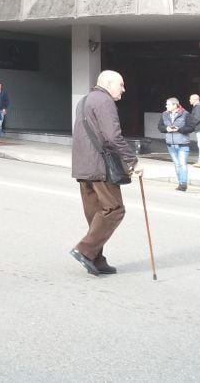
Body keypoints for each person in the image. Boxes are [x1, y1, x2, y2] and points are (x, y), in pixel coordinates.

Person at [70, 70, 140, 276]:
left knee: (95, 216)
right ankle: (84, 250)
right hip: (101, 167)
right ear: (108, 84)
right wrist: (132, 160)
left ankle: (97, 260)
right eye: (121, 85)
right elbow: (112, 137)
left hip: (83, 166)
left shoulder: (84, 101)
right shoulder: (105, 101)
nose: (123, 89)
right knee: (115, 209)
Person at [159, 97, 194, 191]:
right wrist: (167, 129)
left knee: (182, 164)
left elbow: (191, 127)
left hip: (183, 144)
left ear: (175, 105)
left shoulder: (185, 114)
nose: (166, 106)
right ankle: (180, 183)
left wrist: (179, 129)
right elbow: (160, 126)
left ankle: (183, 184)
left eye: (168, 104)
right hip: (170, 144)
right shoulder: (164, 114)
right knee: (177, 164)